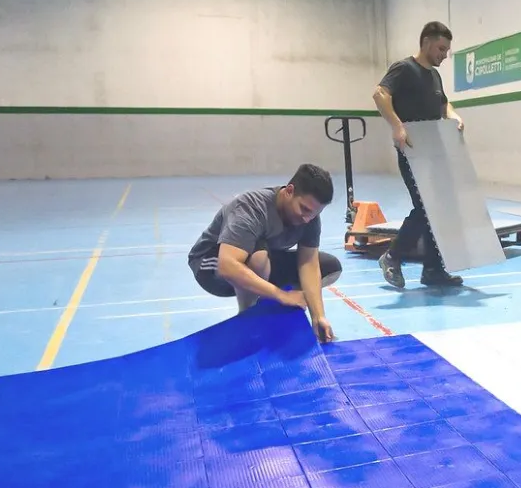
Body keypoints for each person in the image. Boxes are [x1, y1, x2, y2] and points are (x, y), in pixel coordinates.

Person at [187, 163, 341, 342]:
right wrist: (281, 295)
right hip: (210, 265)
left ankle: (269, 307)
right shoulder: (251, 207)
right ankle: (247, 318)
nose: (307, 218)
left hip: (260, 258)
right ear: (289, 191)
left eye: (314, 213)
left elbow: (308, 263)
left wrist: (318, 316)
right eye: (304, 209)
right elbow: (227, 266)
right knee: (259, 255)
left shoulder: (310, 216)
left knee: (329, 267)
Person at [372, 20, 466, 289]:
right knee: (425, 207)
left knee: (438, 209)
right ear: (425, 42)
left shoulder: (434, 76)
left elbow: (444, 103)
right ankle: (392, 256)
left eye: (446, 50)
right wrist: (397, 126)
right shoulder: (404, 69)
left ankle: (433, 271)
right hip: (412, 151)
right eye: (440, 49)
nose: (444, 55)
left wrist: (454, 116)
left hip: (435, 151)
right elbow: (380, 94)